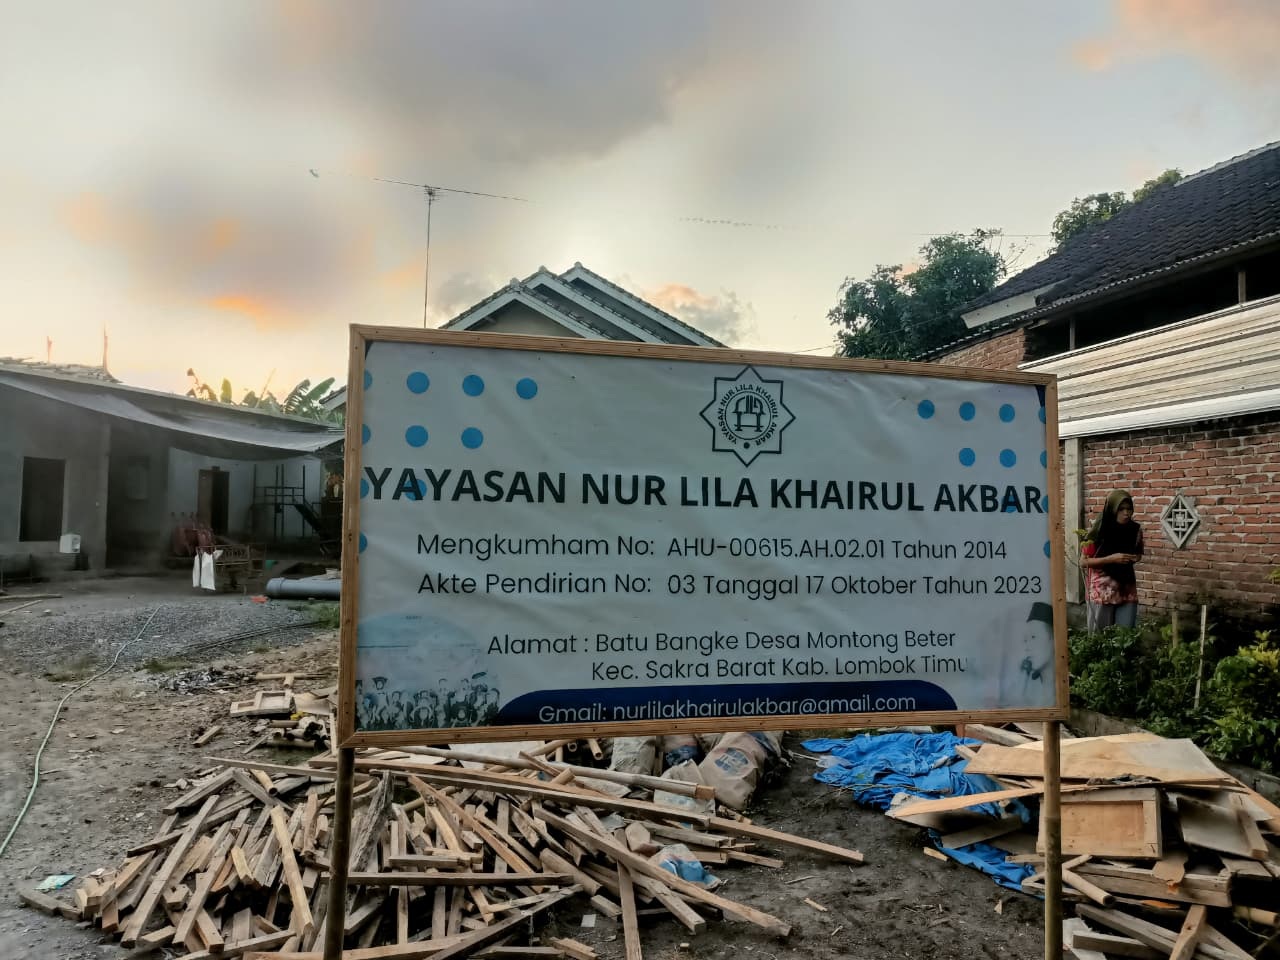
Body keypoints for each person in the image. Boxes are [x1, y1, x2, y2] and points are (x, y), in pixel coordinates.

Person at [1081, 489, 1144, 631]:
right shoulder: (1098, 530)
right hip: (1102, 592)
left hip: (1126, 589)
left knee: (1125, 636)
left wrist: (1133, 558)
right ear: (1112, 509)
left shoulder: (1135, 530)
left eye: (1129, 509)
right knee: (1100, 637)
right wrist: (1111, 559)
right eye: (1121, 509)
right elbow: (1083, 562)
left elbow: (1138, 553)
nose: (1126, 513)